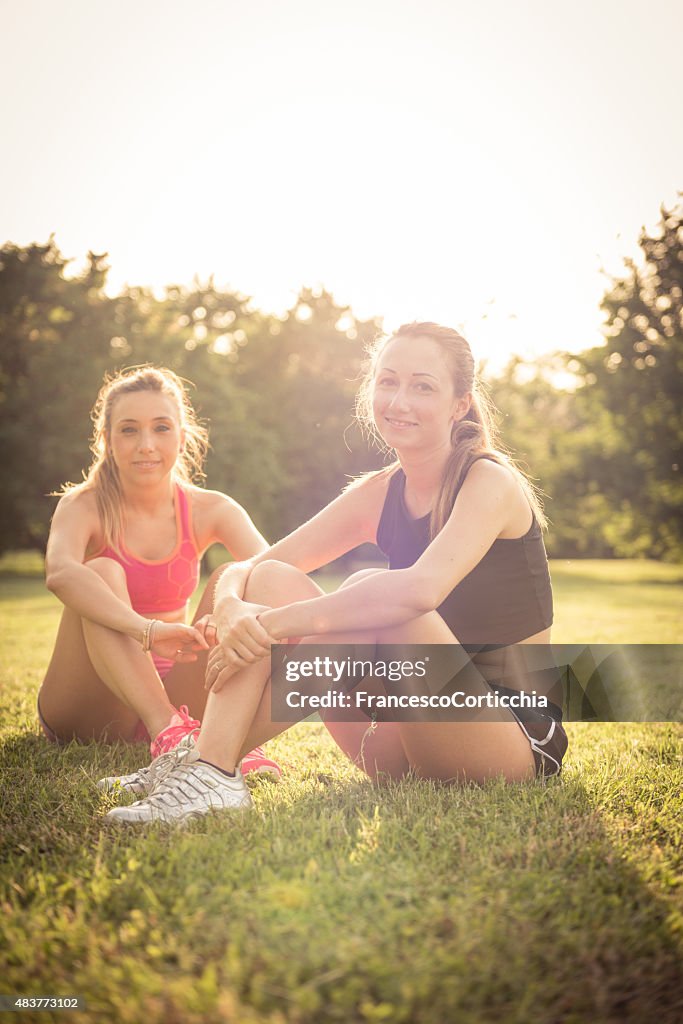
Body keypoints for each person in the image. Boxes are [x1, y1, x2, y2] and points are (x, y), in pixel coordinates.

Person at [104, 324, 568, 824]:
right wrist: (235, 604)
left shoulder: (488, 481)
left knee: (371, 594)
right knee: (271, 581)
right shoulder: (380, 491)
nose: (399, 400)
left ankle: (207, 765)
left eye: (423, 386)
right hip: (401, 733)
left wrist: (275, 625)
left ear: (460, 404)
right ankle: (205, 765)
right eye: (387, 381)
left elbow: (419, 591)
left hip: (505, 739)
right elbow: (249, 568)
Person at [39, 365, 281, 779]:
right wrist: (144, 631)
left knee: (242, 575)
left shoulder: (211, 508)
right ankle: (166, 729)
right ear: (107, 441)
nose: (146, 445)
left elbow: (276, 572)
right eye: (129, 430)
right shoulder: (82, 505)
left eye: (161, 428)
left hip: (178, 686)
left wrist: (226, 608)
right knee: (100, 571)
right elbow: (60, 572)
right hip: (91, 702)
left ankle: (188, 733)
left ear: (183, 437)